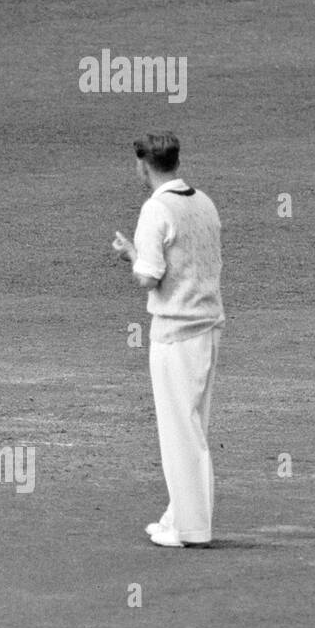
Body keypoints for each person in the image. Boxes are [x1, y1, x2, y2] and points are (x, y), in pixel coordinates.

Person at [111, 133, 224, 547]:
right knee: (193, 426)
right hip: (209, 325)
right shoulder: (204, 201)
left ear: (144, 165)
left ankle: (189, 528)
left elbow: (148, 276)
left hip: (175, 331)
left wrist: (132, 256)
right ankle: (179, 515)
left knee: (180, 431)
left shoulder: (156, 208)